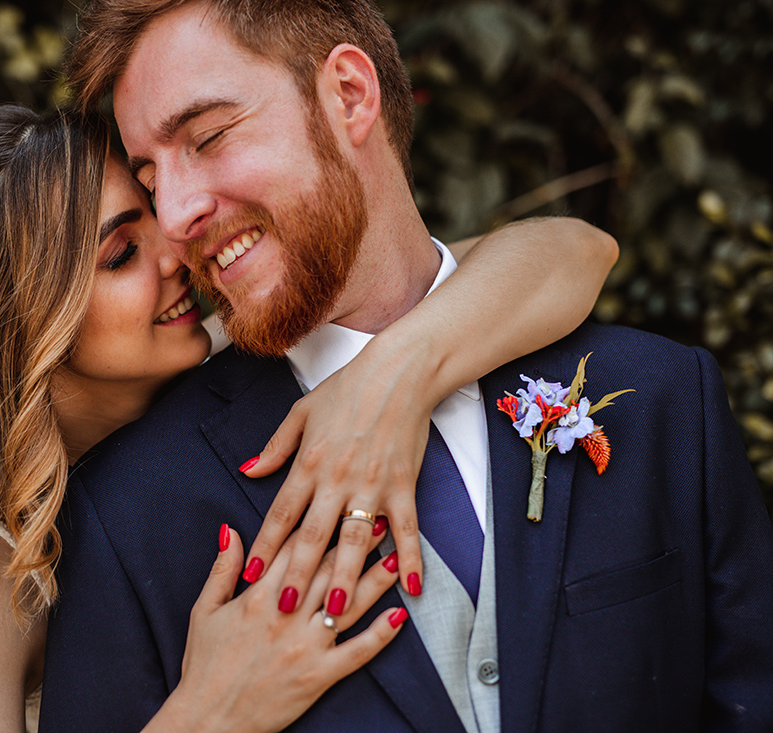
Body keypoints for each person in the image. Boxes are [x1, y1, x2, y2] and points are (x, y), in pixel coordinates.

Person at [0, 104, 614, 732]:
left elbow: (574, 249)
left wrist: (396, 379)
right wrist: (211, 708)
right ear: (25, 321)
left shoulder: (222, 344)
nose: (180, 251)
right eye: (120, 253)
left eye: (154, 216)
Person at [41, 1, 773, 731]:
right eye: (149, 175)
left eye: (207, 137)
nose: (173, 215)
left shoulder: (665, 400)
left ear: (350, 95)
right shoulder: (127, 511)